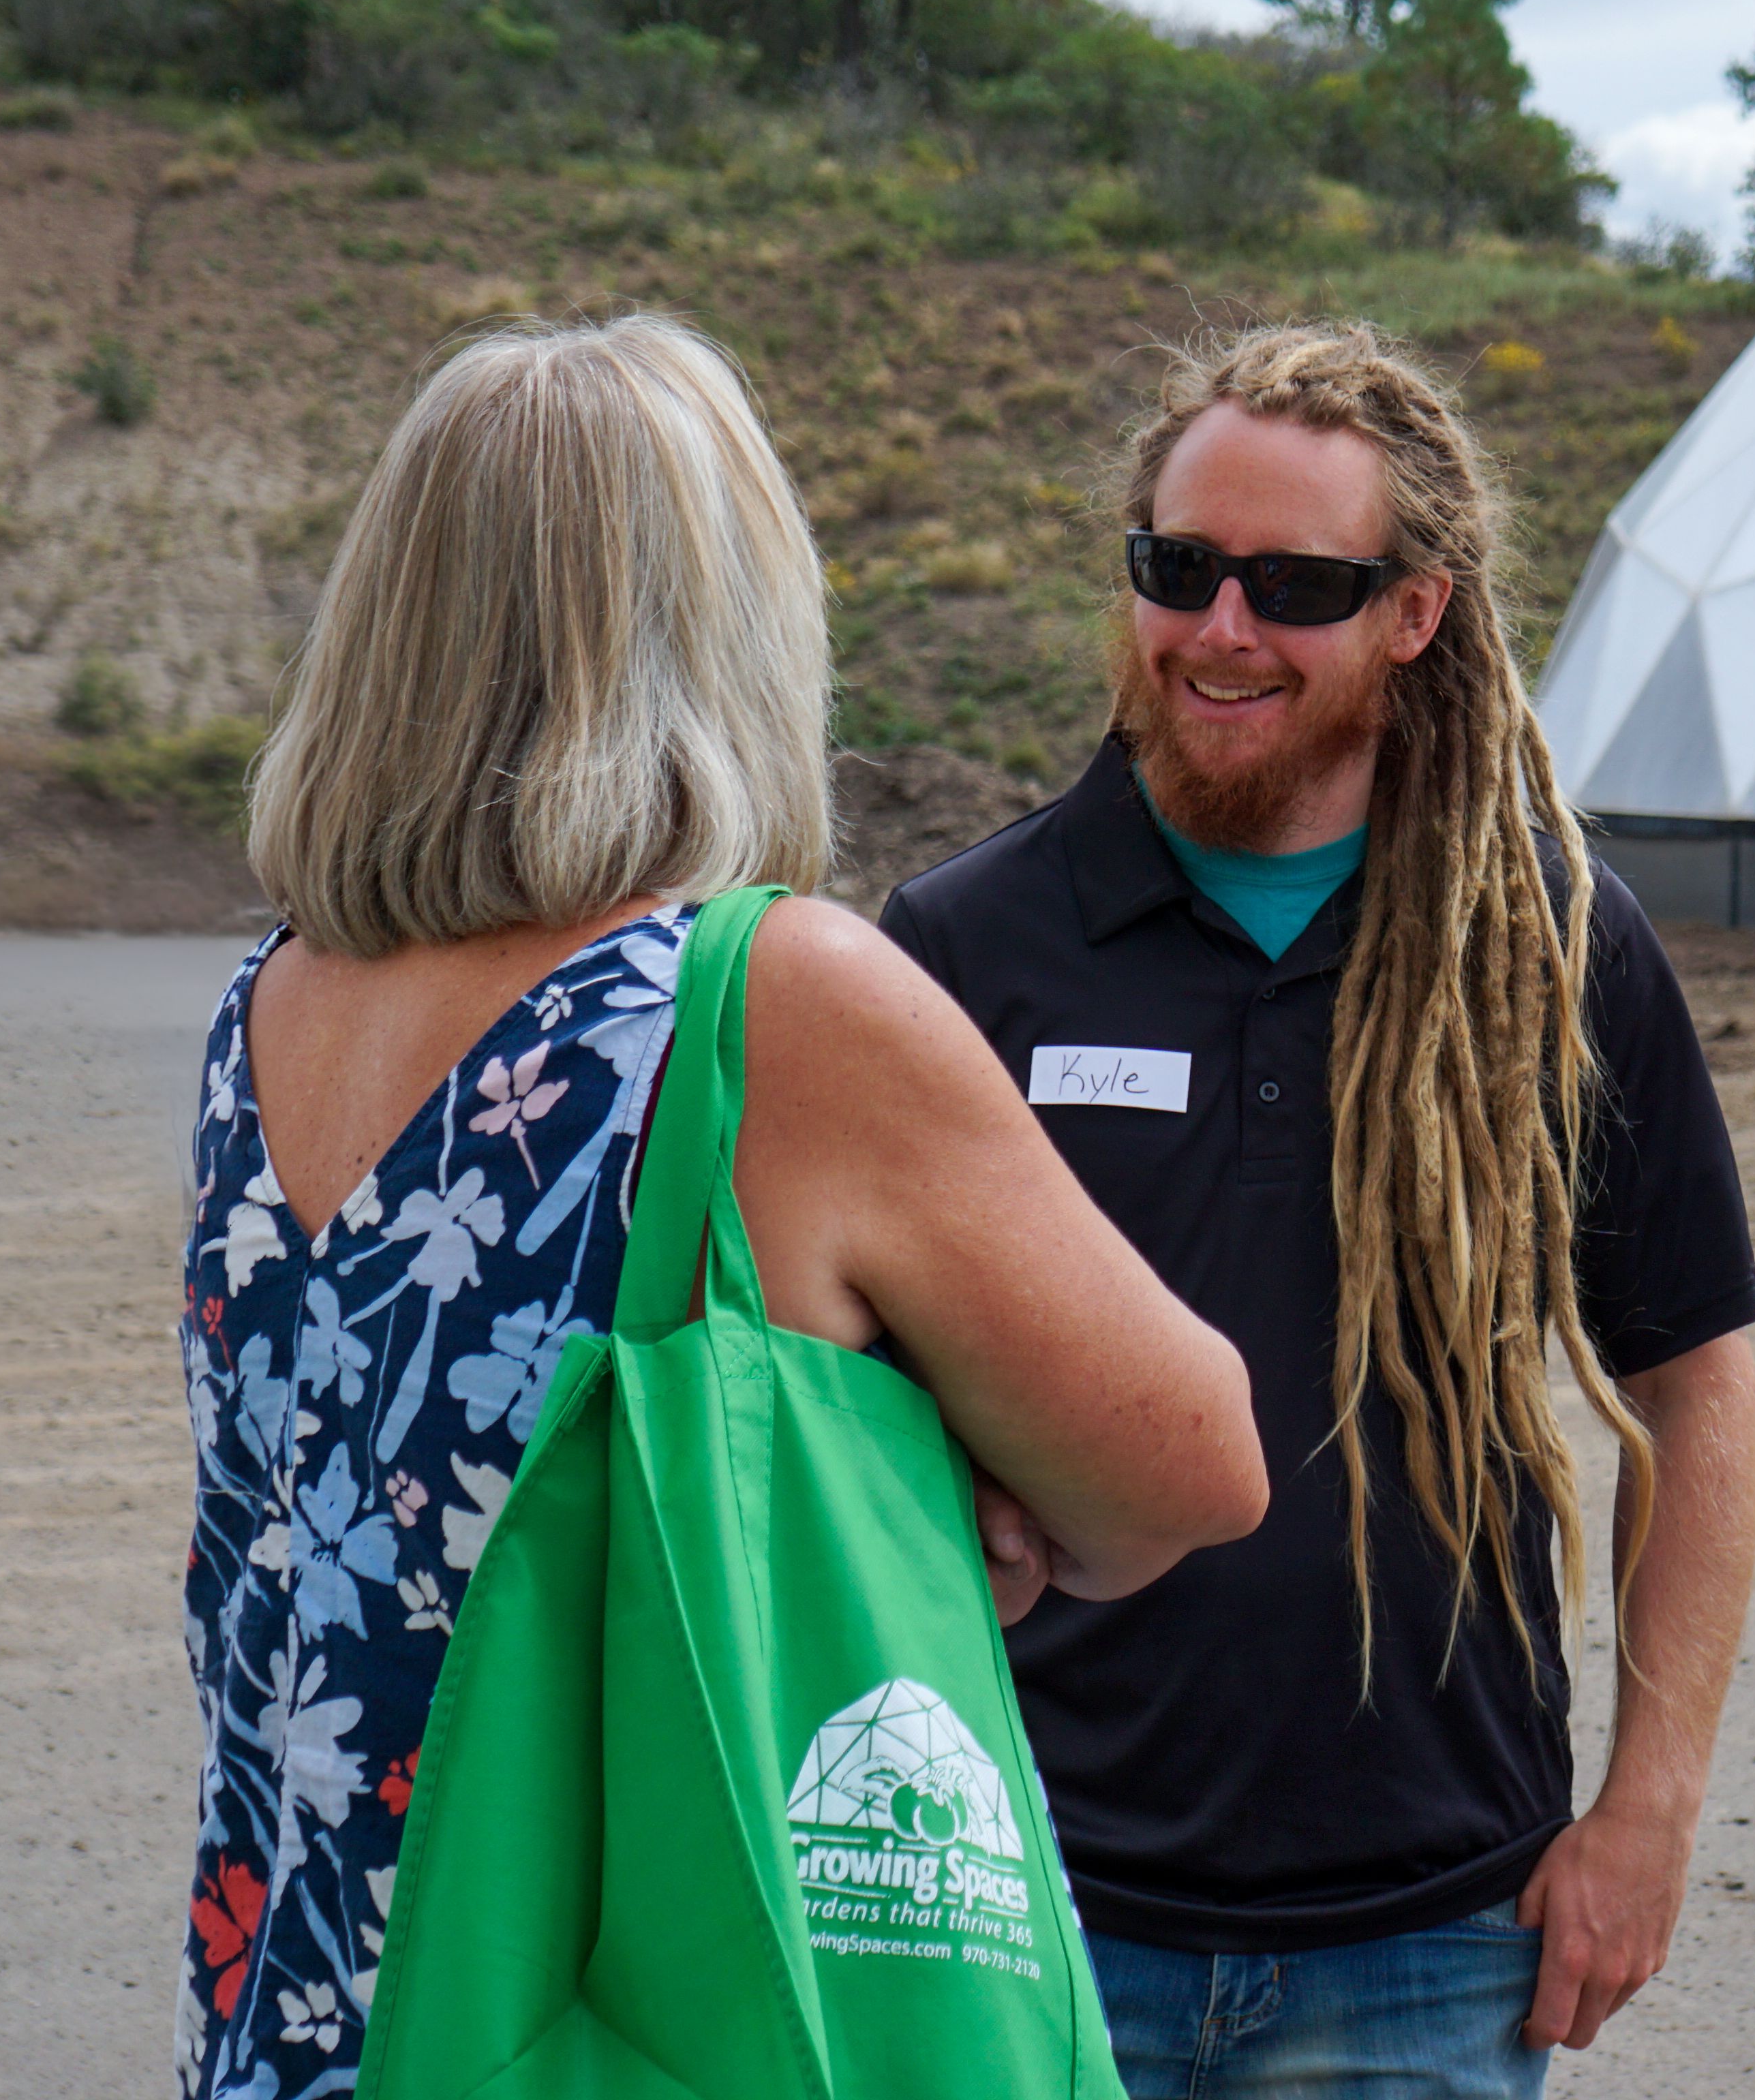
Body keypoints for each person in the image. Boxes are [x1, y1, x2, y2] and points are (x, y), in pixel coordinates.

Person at [177, 315, 1265, 2100]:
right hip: (607, 2032)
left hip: (300, 2025)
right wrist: (953, 1497)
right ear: (740, 626)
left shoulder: (266, 1015)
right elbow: (1192, 1456)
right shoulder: (764, 1008)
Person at [881, 320, 1755, 2099]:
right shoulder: (960, 953)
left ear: (1414, 615)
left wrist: (1649, 1815)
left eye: (1290, 584)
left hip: (1432, 1944)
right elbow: (825, 1408)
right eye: (1179, 568)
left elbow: (1699, 1386)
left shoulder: (1552, 948)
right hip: (1021, 1916)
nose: (1221, 629)